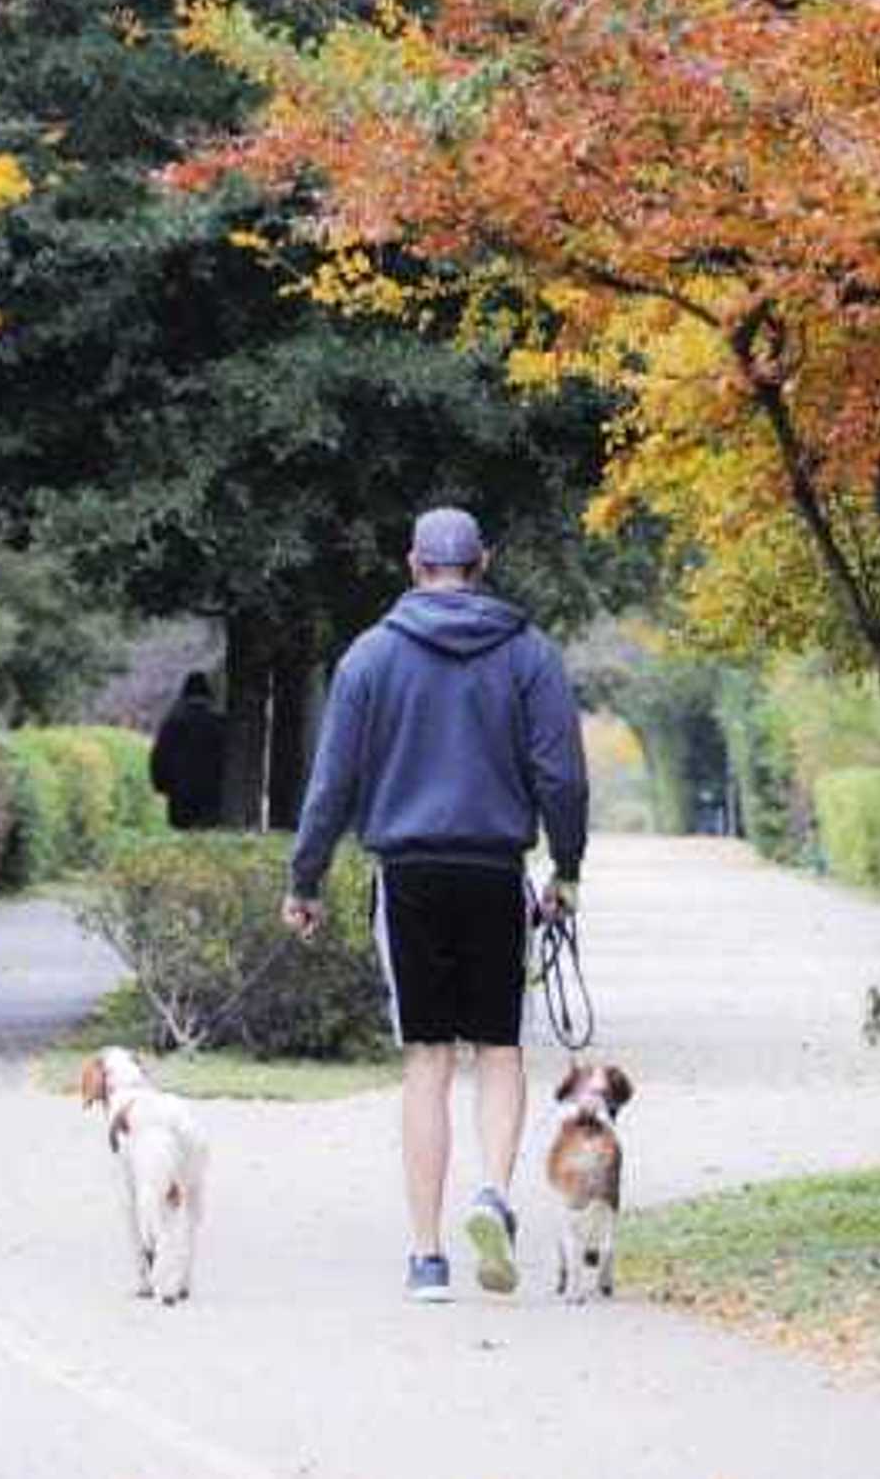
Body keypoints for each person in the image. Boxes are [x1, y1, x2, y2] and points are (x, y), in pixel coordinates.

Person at [282, 506, 588, 1302]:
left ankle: (426, 1258)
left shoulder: (369, 657)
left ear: (414, 564)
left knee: (426, 1059)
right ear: (482, 562)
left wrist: (305, 880)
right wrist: (567, 869)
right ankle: (492, 1192)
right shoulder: (529, 653)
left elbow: (332, 783)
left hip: (408, 873)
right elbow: (560, 773)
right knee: (499, 1050)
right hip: (494, 870)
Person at [149, 671, 226, 830]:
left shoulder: (173, 723)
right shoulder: (218, 723)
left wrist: (160, 784)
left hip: (180, 791)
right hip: (211, 791)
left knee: (183, 832)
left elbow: (160, 756)